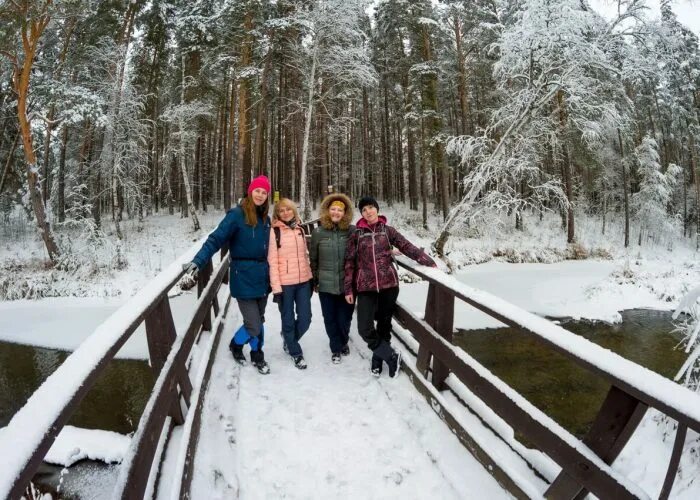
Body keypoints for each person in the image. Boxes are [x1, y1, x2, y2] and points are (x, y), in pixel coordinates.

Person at [184, 175, 272, 375]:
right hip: (243, 276)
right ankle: (235, 344)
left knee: (259, 320)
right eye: (257, 190)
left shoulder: (266, 219)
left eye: (264, 192)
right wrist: (198, 262)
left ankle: (257, 353)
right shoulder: (236, 215)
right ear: (250, 192)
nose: (260, 195)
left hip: (262, 277)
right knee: (254, 324)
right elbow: (215, 240)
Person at [344, 196, 437, 378]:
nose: (368, 211)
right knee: (364, 328)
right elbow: (349, 263)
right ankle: (391, 355)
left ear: (377, 210)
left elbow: (406, 246)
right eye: (364, 209)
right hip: (366, 287)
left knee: (384, 325)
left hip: (388, 286)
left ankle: (378, 359)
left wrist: (428, 261)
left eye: (371, 207)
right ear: (361, 213)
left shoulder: (388, 231)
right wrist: (348, 289)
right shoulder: (356, 234)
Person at [309, 193, 355, 364]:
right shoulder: (318, 232)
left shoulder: (351, 231)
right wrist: (315, 280)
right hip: (326, 285)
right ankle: (335, 348)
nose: (336, 212)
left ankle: (343, 340)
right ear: (327, 211)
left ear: (345, 213)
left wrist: (389, 249)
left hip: (347, 285)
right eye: (333, 209)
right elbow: (313, 258)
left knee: (344, 319)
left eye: (340, 210)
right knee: (330, 318)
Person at [268, 198, 313, 369]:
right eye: (282, 210)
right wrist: (276, 288)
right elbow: (272, 261)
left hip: (303, 282)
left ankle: (288, 337)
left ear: (294, 211)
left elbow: (304, 257)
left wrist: (309, 278)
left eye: (289, 209)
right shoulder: (274, 232)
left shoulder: (300, 230)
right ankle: (295, 352)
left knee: (306, 319)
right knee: (287, 320)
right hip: (285, 285)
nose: (286, 212)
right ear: (277, 214)